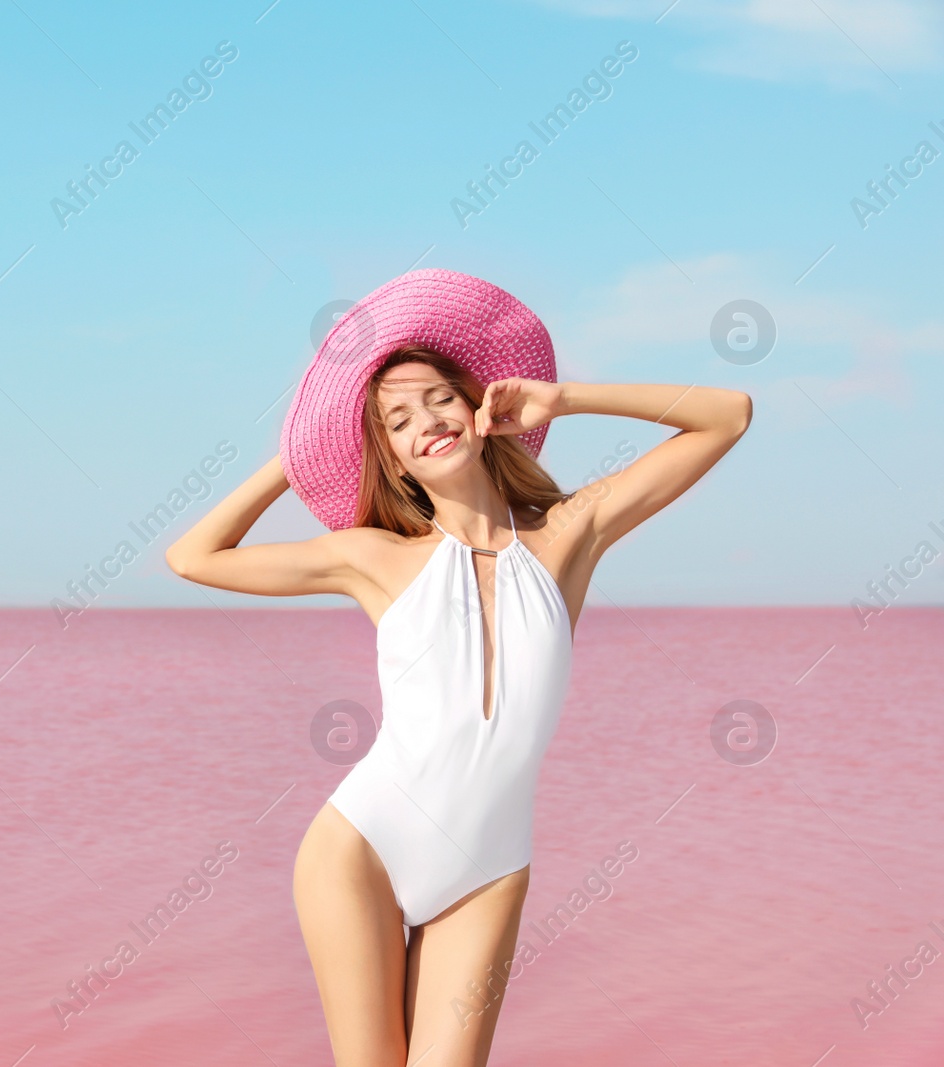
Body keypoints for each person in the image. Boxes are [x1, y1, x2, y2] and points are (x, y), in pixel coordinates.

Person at [164, 269, 751, 1067]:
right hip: (361, 846)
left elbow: (727, 417)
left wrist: (562, 399)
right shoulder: (374, 557)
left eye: (438, 397)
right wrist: (297, 458)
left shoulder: (567, 534)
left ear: (479, 407)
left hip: (489, 867)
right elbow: (192, 556)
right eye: (397, 421)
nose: (425, 422)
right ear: (393, 459)